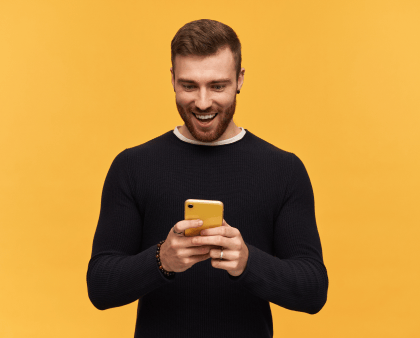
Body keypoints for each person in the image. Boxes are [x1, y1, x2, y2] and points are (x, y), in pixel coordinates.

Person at [86, 19, 329, 338]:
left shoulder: (283, 170)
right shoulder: (133, 166)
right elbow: (100, 287)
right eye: (189, 86)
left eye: (217, 86)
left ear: (239, 79)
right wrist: (162, 260)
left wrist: (247, 262)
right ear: (172, 80)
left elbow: (313, 291)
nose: (202, 103)